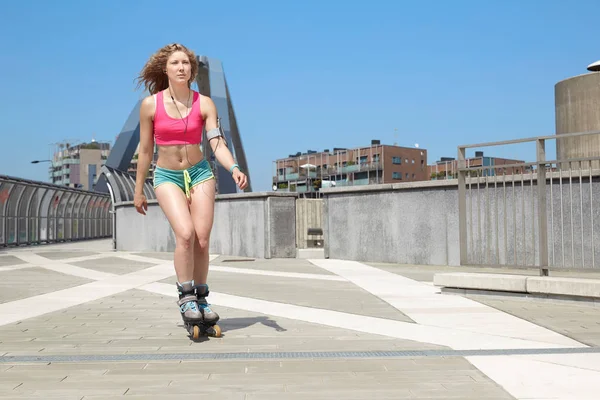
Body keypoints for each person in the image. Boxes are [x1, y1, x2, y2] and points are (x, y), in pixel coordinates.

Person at [133, 43, 248, 329]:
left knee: (202, 238)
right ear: (166, 69)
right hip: (167, 176)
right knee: (184, 234)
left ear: (192, 69)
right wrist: (137, 190)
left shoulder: (204, 103)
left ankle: (202, 296)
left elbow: (216, 142)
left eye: (185, 63)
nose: (181, 67)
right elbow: (146, 150)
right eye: (175, 63)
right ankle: (186, 296)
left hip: (199, 174)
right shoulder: (151, 105)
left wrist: (232, 167)